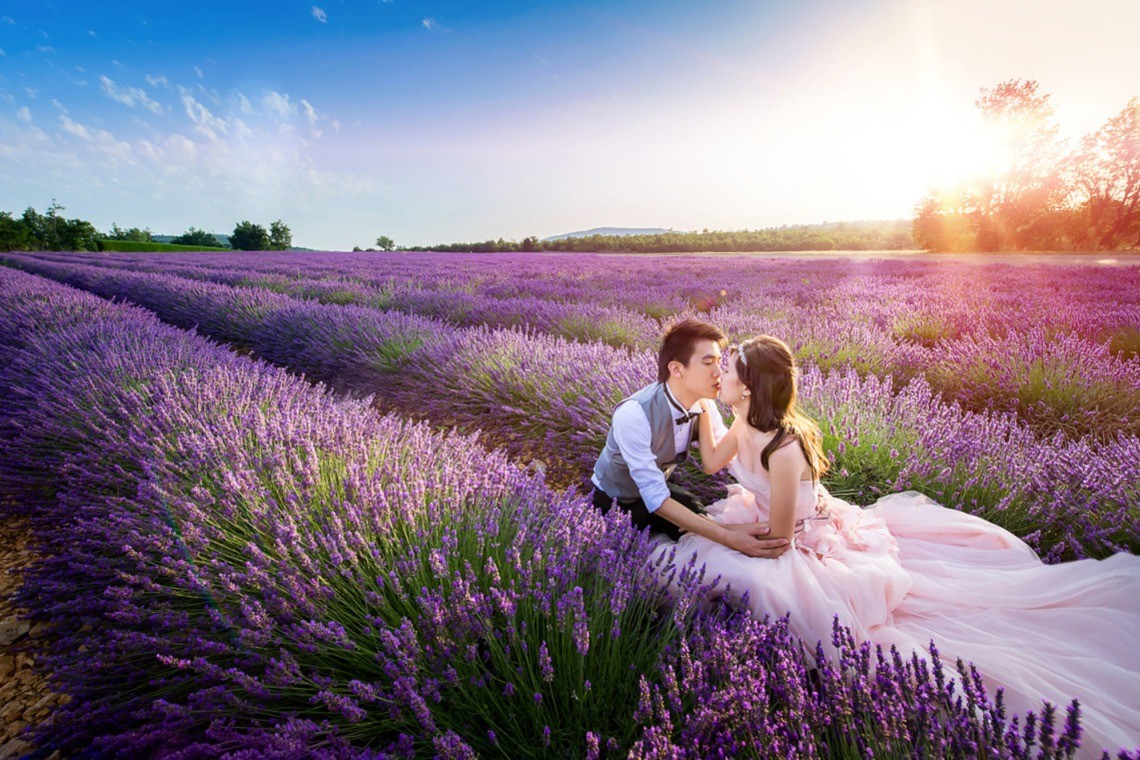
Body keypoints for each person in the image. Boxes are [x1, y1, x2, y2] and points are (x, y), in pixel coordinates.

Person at [655, 334, 1140, 756]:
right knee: (700, 565)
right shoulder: (742, 421)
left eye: (729, 372)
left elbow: (781, 538)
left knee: (760, 588)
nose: (720, 377)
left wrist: (727, 539)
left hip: (798, 538)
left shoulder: (783, 447)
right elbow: (717, 461)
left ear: (750, 387)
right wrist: (700, 408)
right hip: (762, 519)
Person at [591, 318, 787, 558]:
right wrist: (729, 536)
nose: (718, 372)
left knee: (701, 522)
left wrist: (785, 477)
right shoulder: (634, 414)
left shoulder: (704, 404)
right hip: (615, 500)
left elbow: (727, 456)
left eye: (719, 361)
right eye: (708, 363)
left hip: (659, 489)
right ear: (676, 369)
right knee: (642, 555)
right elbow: (655, 497)